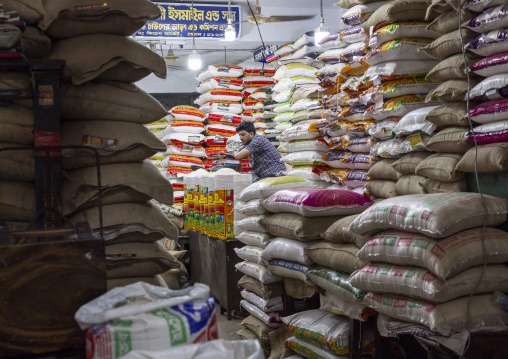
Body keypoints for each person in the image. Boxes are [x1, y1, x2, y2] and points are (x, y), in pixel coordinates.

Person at [218, 121, 286, 179]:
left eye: (243, 135)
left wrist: (234, 158)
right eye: (240, 135)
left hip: (276, 177)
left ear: (251, 134)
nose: (241, 138)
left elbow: (238, 156)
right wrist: (224, 154)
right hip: (266, 178)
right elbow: (237, 153)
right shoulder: (248, 144)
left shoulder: (258, 140)